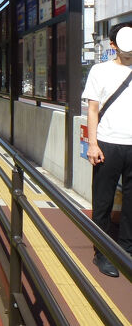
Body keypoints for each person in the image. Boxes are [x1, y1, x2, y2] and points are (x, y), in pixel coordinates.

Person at [83, 22, 132, 277]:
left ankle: (127, 251)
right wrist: (92, 144)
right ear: (113, 45)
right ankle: (102, 253)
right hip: (107, 144)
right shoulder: (99, 71)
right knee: (103, 202)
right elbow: (92, 109)